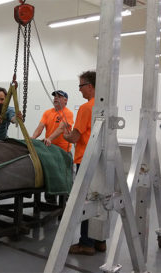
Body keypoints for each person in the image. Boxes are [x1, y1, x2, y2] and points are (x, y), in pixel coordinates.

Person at [62, 70, 106, 256]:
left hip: (85, 160)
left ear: (89, 86)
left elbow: (74, 138)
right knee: (102, 199)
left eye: (81, 86)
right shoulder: (106, 106)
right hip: (102, 161)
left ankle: (86, 243)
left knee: (86, 201)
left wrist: (66, 133)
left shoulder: (86, 108)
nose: (79, 90)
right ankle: (100, 241)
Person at [31, 90, 74, 204]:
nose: (56, 98)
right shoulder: (47, 113)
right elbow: (40, 127)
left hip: (63, 152)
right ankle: (50, 201)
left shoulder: (67, 113)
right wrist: (32, 139)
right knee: (50, 175)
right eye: (55, 96)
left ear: (65, 100)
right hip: (50, 150)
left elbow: (61, 128)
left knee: (64, 178)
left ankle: (66, 203)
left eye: (59, 97)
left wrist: (49, 138)